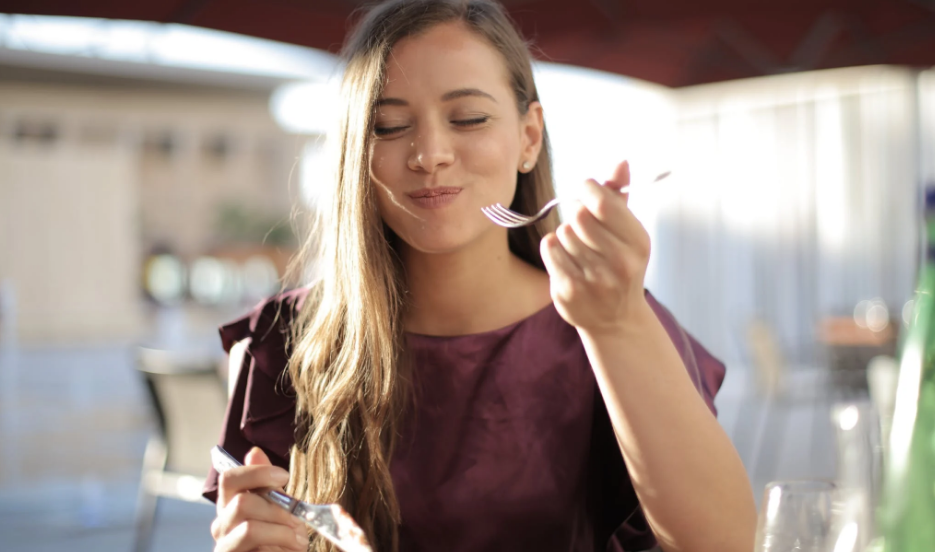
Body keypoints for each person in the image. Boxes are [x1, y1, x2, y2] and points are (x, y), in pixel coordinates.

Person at [204, 0, 757, 551]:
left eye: (468, 118)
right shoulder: (283, 341)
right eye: (390, 126)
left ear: (529, 138)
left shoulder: (609, 320)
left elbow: (723, 542)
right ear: (357, 154)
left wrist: (617, 325)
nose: (430, 154)